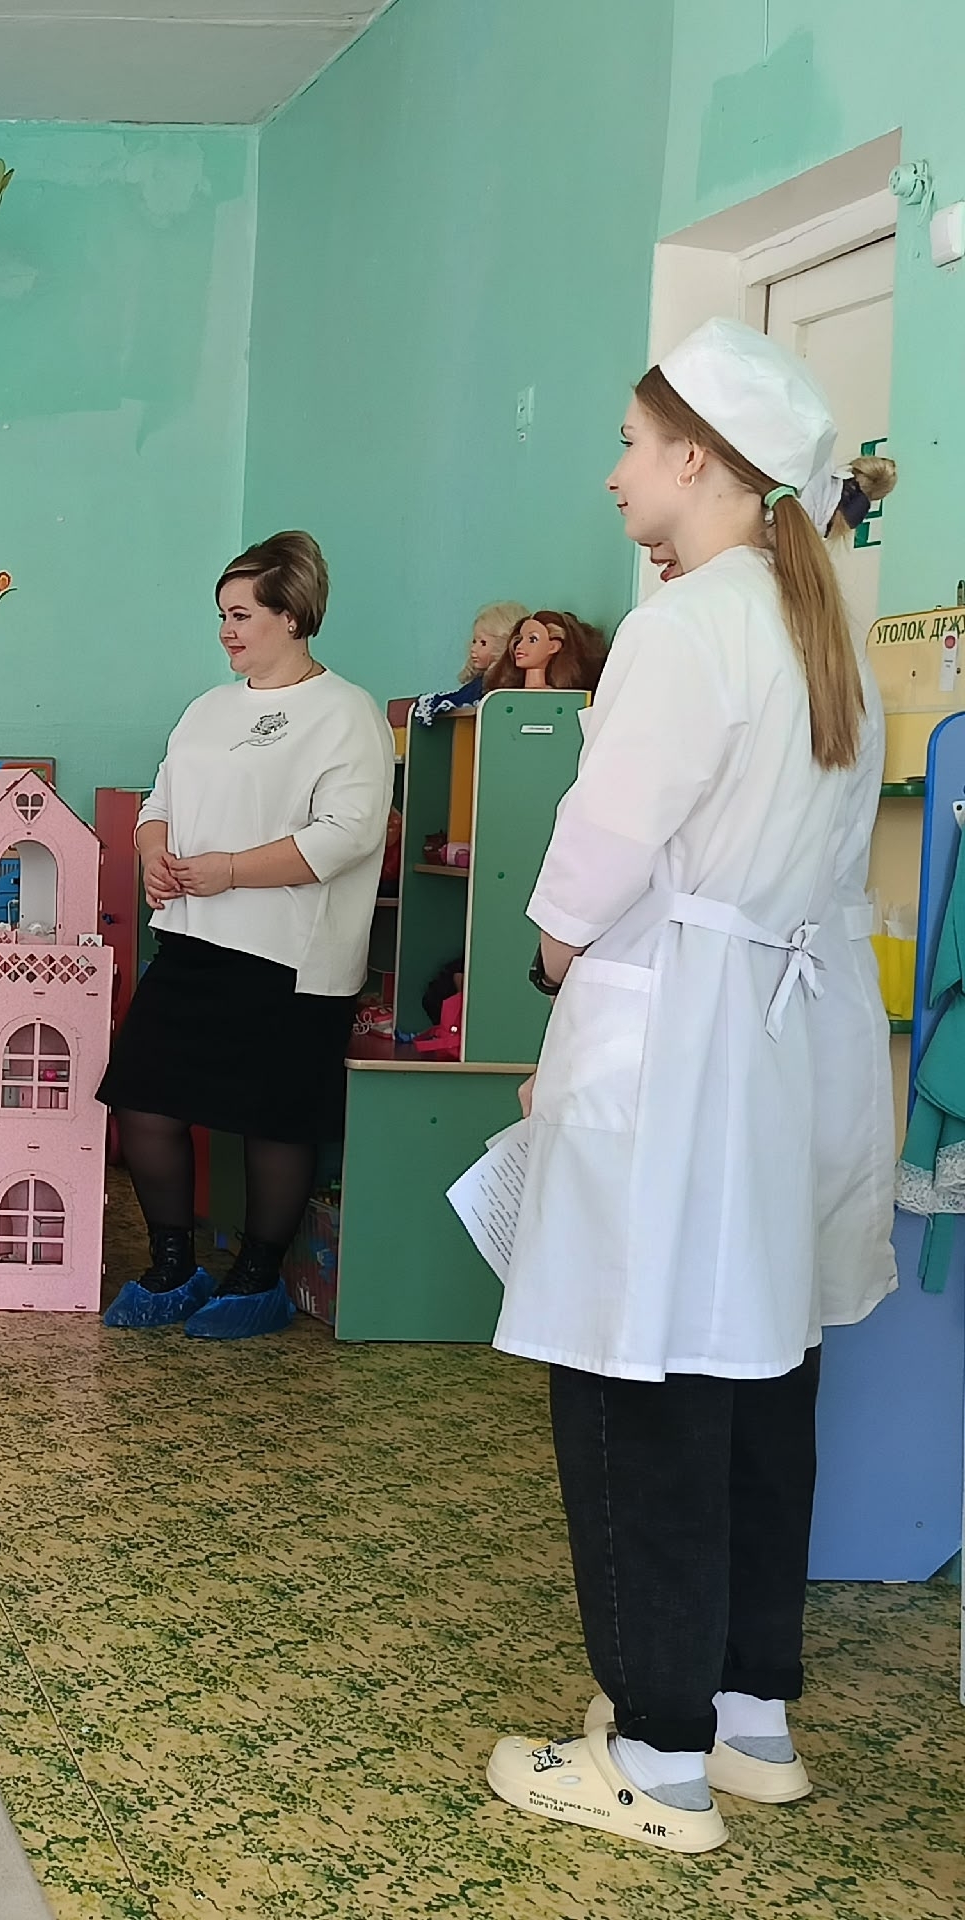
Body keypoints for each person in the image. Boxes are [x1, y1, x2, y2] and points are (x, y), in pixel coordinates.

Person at [485, 318, 900, 1854]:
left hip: (678, 1031)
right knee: (760, 1372)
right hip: (785, 1042)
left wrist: (552, 959)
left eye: (628, 444)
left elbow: (599, 853)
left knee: (635, 1375)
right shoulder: (818, 628)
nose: (615, 476)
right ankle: (747, 1716)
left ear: (698, 460)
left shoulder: (686, 625)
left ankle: (655, 1761)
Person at [98, 531, 396, 1342]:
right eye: (222, 615)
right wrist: (153, 854)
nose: (226, 631)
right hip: (193, 940)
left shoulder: (347, 713)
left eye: (241, 615)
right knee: (143, 1100)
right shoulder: (207, 709)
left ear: (292, 616)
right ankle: (172, 1266)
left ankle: (258, 1278)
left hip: (290, 957)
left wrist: (230, 870)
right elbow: (158, 802)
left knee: (275, 1120)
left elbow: (348, 835)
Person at [411, 600, 529, 725]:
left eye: (483, 643)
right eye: (474, 641)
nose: (473, 648)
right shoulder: (480, 684)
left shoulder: (494, 688)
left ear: (505, 644)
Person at [485, 607, 610, 694]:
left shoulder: (564, 697)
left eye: (532, 639)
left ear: (553, 647)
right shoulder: (503, 695)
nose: (519, 646)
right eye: (520, 638)